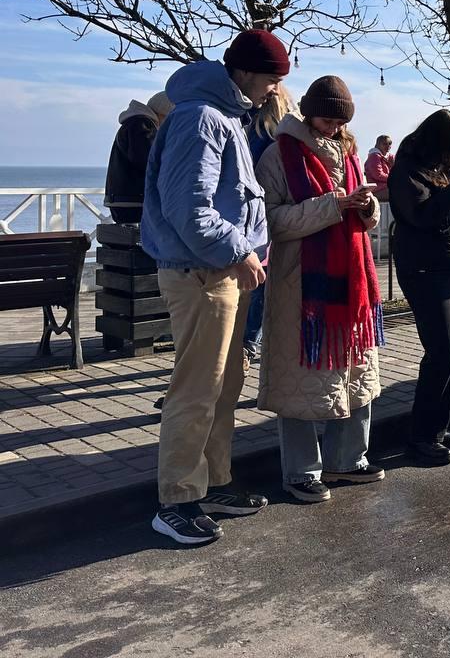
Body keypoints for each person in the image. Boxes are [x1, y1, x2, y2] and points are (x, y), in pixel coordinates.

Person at [142, 28, 288, 545]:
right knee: (198, 387)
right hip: (202, 273)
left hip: (219, 271)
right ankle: (177, 499)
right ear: (245, 72)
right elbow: (189, 208)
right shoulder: (201, 117)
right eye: (272, 78)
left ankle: (213, 483)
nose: (275, 88)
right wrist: (240, 250)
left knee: (223, 385)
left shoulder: (223, 114)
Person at [255, 76, 384, 503]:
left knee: (358, 373)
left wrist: (367, 210)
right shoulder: (278, 155)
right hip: (300, 286)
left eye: (339, 122)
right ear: (308, 112)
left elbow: (364, 219)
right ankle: (301, 471)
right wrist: (333, 206)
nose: (332, 128)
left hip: (353, 284)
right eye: (327, 119)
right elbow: (271, 221)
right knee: (303, 379)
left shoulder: (348, 152)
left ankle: (347, 460)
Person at [390, 110, 450, 466]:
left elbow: (445, 206)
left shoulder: (440, 166)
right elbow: (421, 215)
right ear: (440, 142)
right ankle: (420, 436)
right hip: (425, 269)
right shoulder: (407, 169)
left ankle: (437, 425)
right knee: (442, 351)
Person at [242, 87, 296, 365]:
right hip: (266, 222)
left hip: (248, 220)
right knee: (261, 288)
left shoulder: (248, 132)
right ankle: (250, 344)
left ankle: (246, 345)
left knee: (251, 289)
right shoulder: (276, 140)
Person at [105, 91, 174, 223]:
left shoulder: (135, 124)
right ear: (163, 114)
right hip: (133, 200)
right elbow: (150, 161)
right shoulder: (141, 125)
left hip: (126, 200)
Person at [364, 135, 396, 201]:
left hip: (387, 186)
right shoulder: (374, 156)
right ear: (378, 145)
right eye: (384, 144)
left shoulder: (389, 157)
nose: (388, 146)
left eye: (389, 144)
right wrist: (394, 178)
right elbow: (378, 175)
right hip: (377, 190)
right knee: (402, 192)